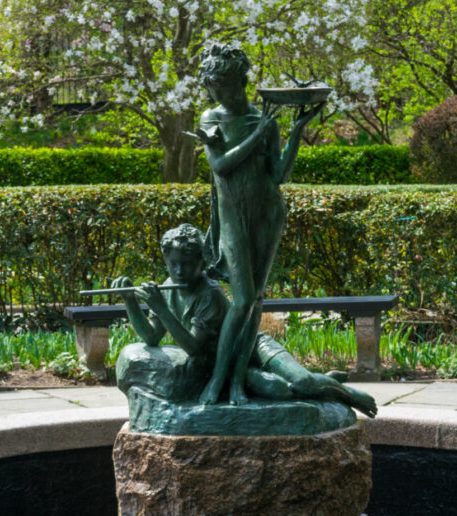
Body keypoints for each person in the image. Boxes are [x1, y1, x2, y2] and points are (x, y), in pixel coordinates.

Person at [113, 224, 376, 416]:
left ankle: (348, 395)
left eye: (187, 263)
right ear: (166, 261)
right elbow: (151, 337)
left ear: (202, 262)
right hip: (224, 366)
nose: (179, 270)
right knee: (279, 391)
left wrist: (161, 307)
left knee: (303, 382)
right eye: (174, 264)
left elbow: (192, 347)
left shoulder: (210, 294)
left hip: (252, 349)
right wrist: (130, 302)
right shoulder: (168, 287)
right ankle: (322, 381)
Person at [190, 42, 322, 406]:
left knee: (257, 299)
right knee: (243, 297)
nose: (219, 93)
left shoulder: (264, 119)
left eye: (225, 86)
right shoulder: (211, 119)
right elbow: (220, 166)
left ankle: (236, 382)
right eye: (214, 87)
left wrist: (295, 131)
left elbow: (278, 174)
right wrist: (258, 132)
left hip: (267, 213)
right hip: (233, 218)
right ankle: (216, 381)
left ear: (240, 82)